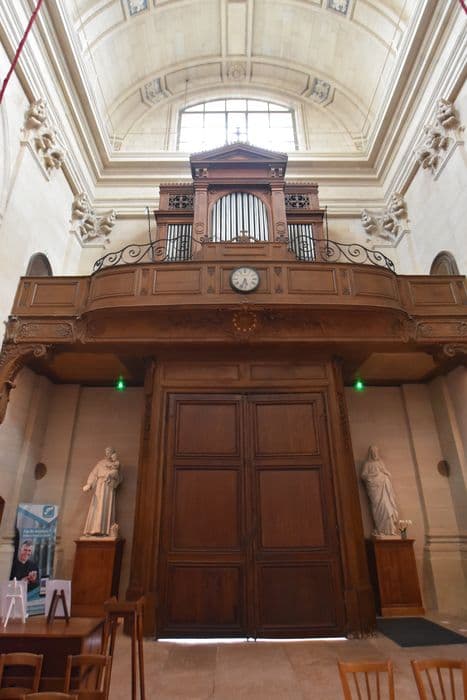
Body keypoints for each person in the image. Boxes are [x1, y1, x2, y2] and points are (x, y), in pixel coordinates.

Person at [82, 447, 122, 536]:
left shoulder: (115, 464)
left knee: (106, 506)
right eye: (106, 452)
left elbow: (119, 478)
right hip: (99, 486)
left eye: (109, 452)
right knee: (97, 506)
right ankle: (94, 529)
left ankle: (105, 530)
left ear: (113, 453)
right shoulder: (100, 463)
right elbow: (93, 474)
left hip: (108, 487)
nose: (108, 453)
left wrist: (113, 475)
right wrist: (89, 484)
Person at [360, 445, 399, 536]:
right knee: (377, 507)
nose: (375, 454)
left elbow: (386, 472)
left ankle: (389, 530)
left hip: (383, 488)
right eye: (373, 452)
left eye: (376, 452)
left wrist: (386, 475)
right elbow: (363, 475)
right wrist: (372, 476)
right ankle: (380, 529)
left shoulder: (380, 463)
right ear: (370, 453)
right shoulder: (367, 464)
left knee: (387, 507)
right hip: (374, 490)